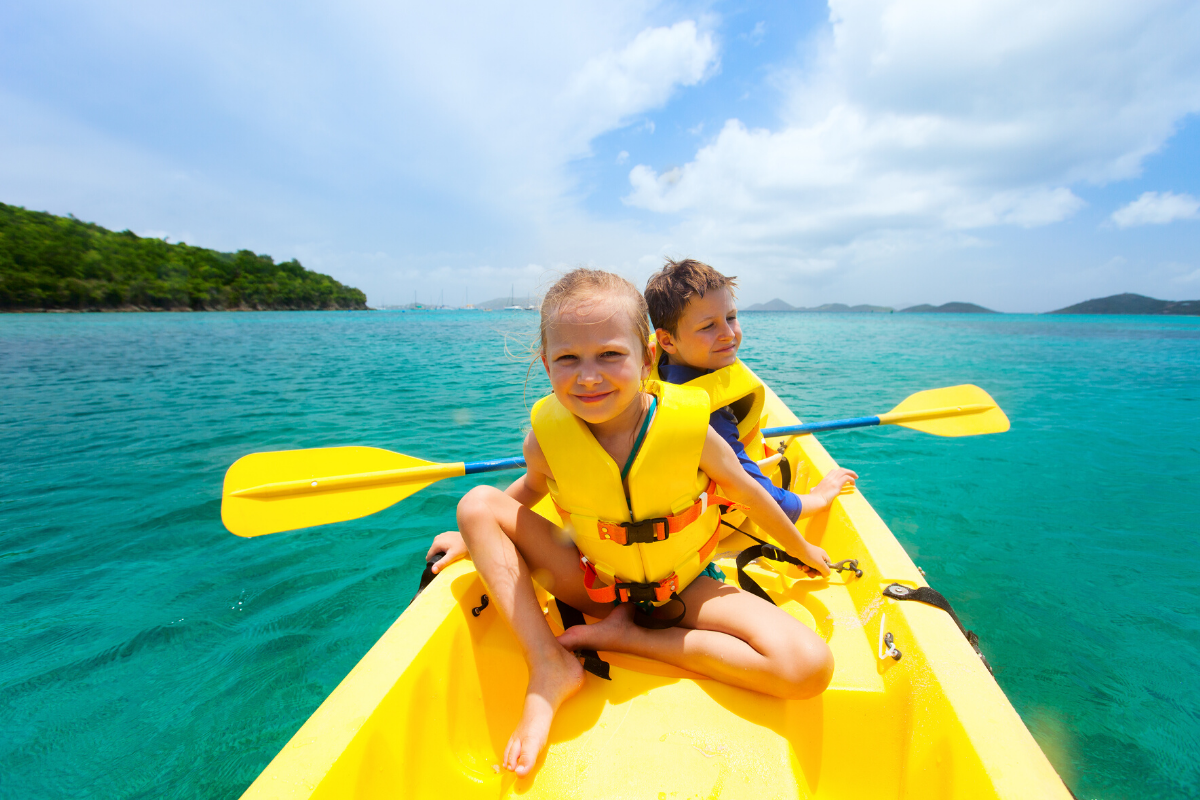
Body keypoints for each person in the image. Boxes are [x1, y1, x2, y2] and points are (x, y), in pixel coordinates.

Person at [446, 268, 856, 776]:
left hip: (681, 586)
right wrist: (471, 539)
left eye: (610, 355)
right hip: (593, 582)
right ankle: (548, 663)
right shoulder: (545, 440)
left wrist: (800, 548)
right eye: (567, 359)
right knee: (475, 506)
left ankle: (633, 638)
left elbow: (749, 491)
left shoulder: (691, 432)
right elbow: (526, 492)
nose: (588, 377)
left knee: (807, 667)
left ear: (647, 356)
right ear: (546, 363)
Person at [645, 258, 813, 523]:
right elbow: (761, 498)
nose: (728, 334)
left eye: (731, 318)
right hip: (719, 520)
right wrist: (820, 498)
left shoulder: (657, 364)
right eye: (708, 326)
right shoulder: (706, 412)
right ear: (666, 340)